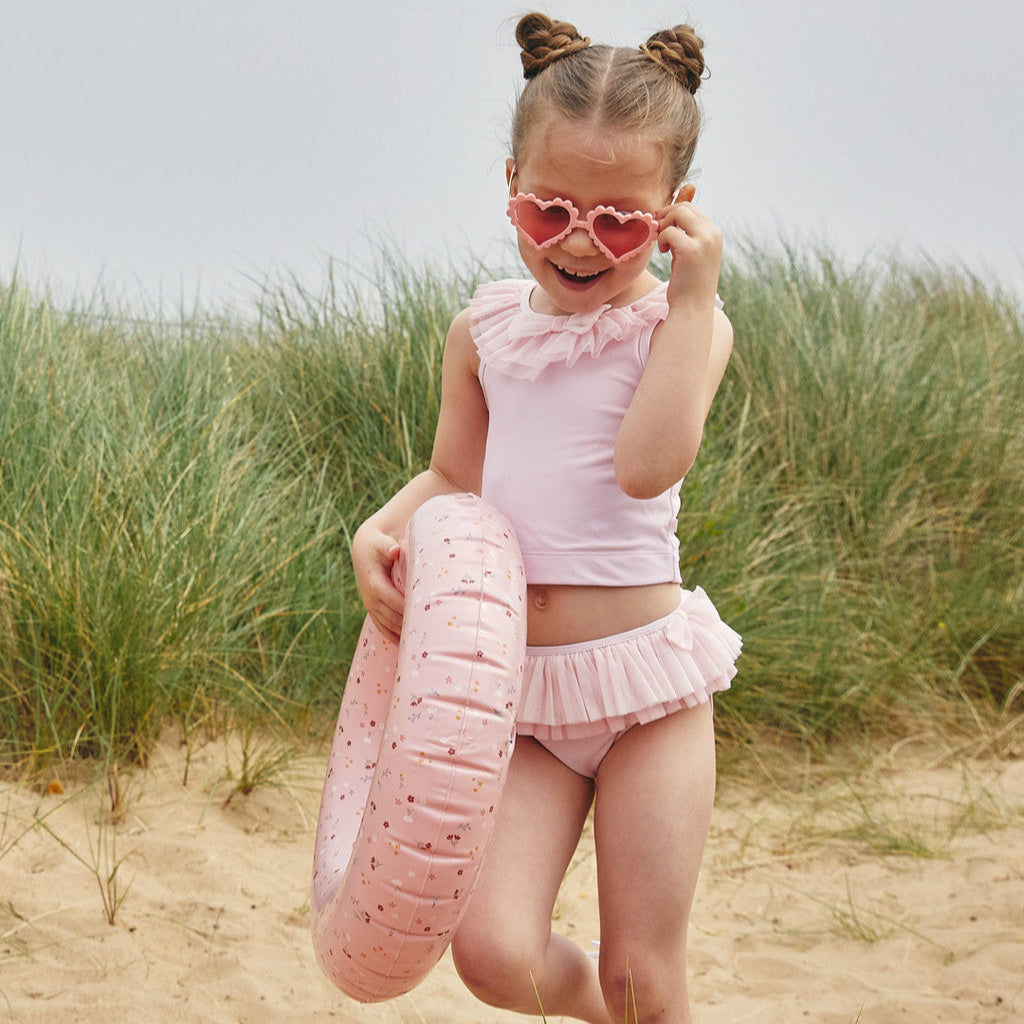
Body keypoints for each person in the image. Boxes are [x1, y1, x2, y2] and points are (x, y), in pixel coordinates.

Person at [351, 12, 740, 1024]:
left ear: (673, 213)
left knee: (643, 973)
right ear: (510, 185)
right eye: (548, 210)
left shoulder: (680, 325)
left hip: (645, 688)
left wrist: (692, 301)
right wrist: (373, 533)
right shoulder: (481, 329)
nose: (578, 240)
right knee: (491, 952)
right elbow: (451, 472)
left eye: (619, 220)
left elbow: (647, 467)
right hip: (518, 695)